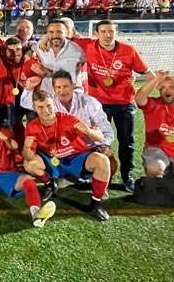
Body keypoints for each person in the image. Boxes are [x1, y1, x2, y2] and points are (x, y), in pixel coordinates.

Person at [71, 20, 154, 191]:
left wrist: (165, 85)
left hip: (124, 103)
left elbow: (147, 73)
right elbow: (63, 35)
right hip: (99, 104)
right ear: (96, 33)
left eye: (111, 31)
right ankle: (97, 176)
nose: (107, 35)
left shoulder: (128, 50)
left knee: (127, 141)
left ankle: (127, 176)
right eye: (103, 31)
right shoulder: (87, 45)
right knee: (95, 141)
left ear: (116, 33)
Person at [23, 90, 111, 221]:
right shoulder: (32, 127)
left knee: (103, 160)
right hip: (52, 160)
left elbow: (100, 137)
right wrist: (26, 147)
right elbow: (29, 157)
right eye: (40, 107)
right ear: (34, 108)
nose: (46, 110)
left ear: (54, 104)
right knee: (28, 164)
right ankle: (50, 184)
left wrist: (88, 131)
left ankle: (95, 204)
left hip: (76, 158)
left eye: (49, 105)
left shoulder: (68, 119)